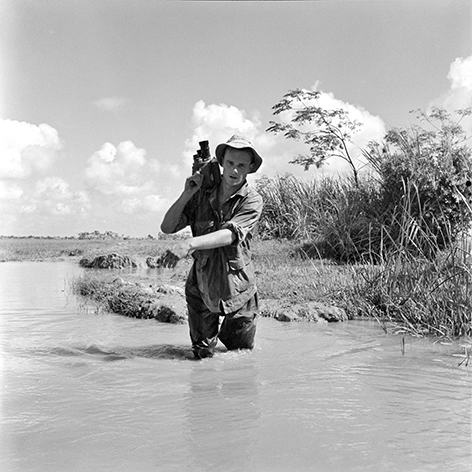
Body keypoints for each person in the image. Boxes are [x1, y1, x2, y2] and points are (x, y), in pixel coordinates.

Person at [160, 135, 264, 359]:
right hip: (202, 284)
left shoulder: (252, 200)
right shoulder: (201, 197)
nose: (234, 171)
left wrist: (189, 243)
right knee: (202, 355)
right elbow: (167, 227)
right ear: (221, 163)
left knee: (240, 355)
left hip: (238, 289)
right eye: (230, 163)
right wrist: (188, 192)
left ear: (250, 168)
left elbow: (230, 234)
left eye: (241, 165)